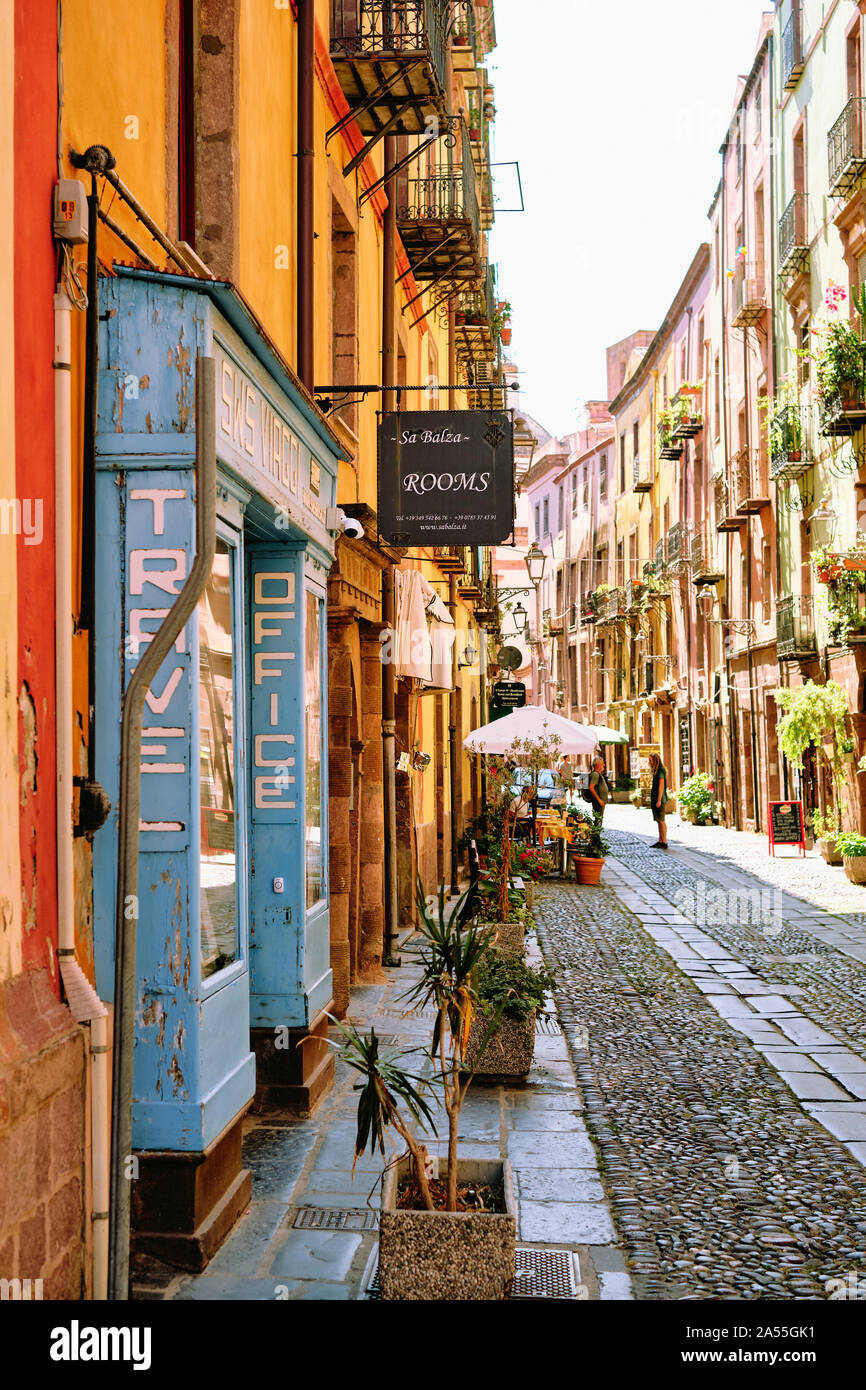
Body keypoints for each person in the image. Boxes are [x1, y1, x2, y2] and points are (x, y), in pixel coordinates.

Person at [648, 753, 669, 848]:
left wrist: (659, 800)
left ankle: (664, 841)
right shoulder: (656, 771)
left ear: (655, 761)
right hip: (655, 798)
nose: (649, 762)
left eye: (651, 760)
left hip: (659, 799)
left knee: (661, 820)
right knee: (658, 820)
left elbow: (661, 786)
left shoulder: (660, 770)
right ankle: (660, 840)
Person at [588, 755, 610, 822]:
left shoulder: (598, 774)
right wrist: (599, 800)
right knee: (598, 821)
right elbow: (591, 788)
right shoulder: (595, 774)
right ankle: (596, 832)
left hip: (600, 802)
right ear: (597, 764)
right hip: (598, 802)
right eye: (602, 763)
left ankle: (597, 832)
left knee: (599, 820)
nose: (604, 765)